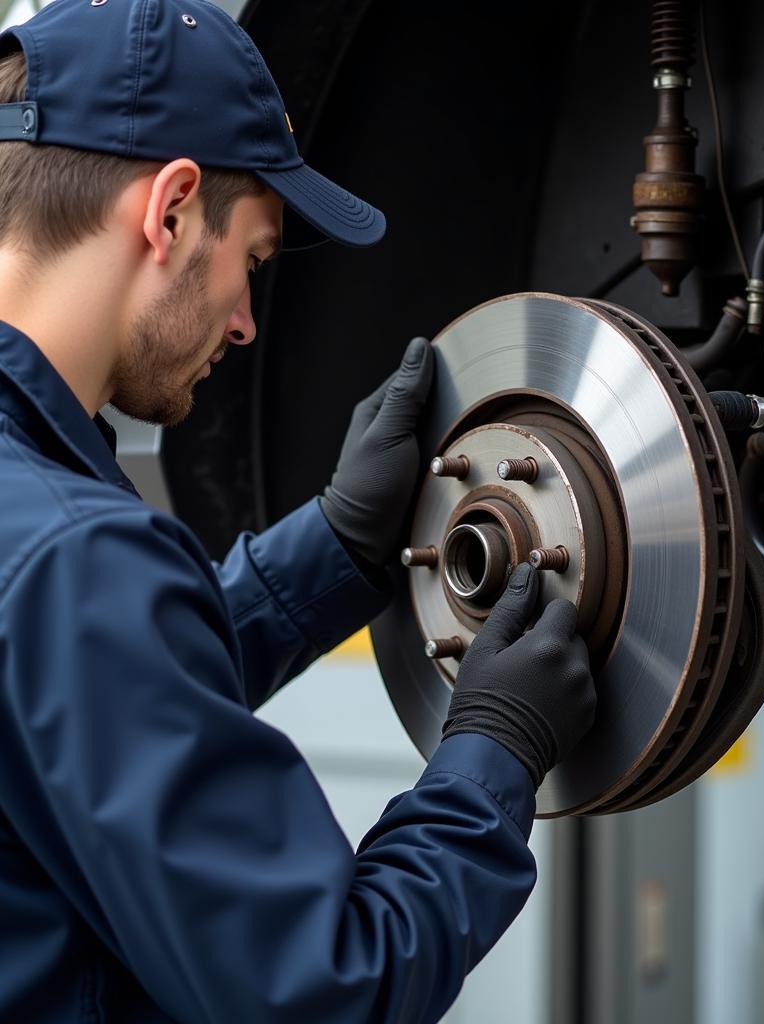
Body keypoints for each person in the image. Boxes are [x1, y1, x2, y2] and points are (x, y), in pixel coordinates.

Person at [0, 1, 597, 1021]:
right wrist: (490, 747)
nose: (242, 322)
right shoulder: (75, 557)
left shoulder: (47, 545)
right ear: (171, 208)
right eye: (256, 263)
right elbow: (326, 989)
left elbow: (77, 713)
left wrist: (334, 547)